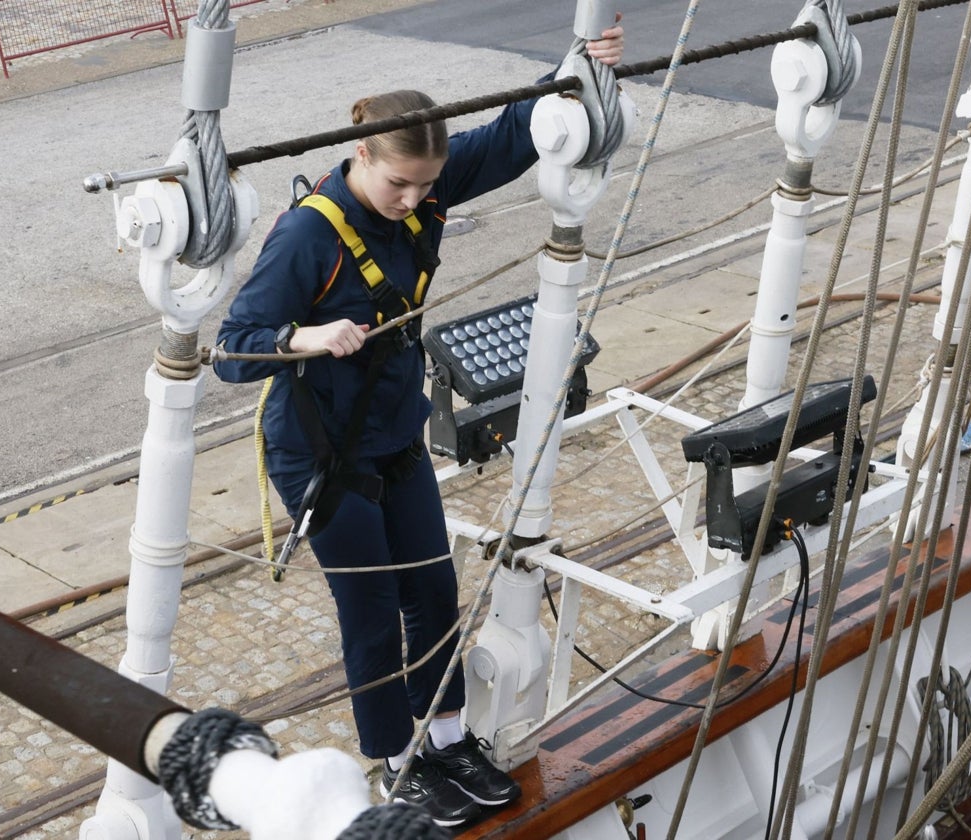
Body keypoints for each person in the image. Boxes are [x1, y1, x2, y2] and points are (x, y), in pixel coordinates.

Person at [213, 22, 625, 827]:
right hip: (321, 457)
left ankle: (444, 737)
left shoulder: (427, 186)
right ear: (361, 154)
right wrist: (303, 338)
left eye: (422, 187)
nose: (413, 201)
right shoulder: (309, 236)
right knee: (371, 614)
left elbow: (512, 137)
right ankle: (398, 760)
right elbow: (230, 349)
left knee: (434, 593)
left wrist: (574, 66)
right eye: (399, 184)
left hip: (394, 437)